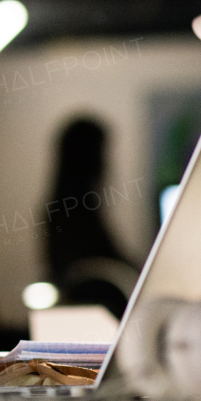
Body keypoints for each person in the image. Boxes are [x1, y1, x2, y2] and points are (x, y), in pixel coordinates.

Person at [45, 118, 137, 318]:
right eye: (102, 152)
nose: (107, 161)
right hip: (95, 315)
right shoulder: (72, 211)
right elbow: (97, 265)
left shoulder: (74, 208)